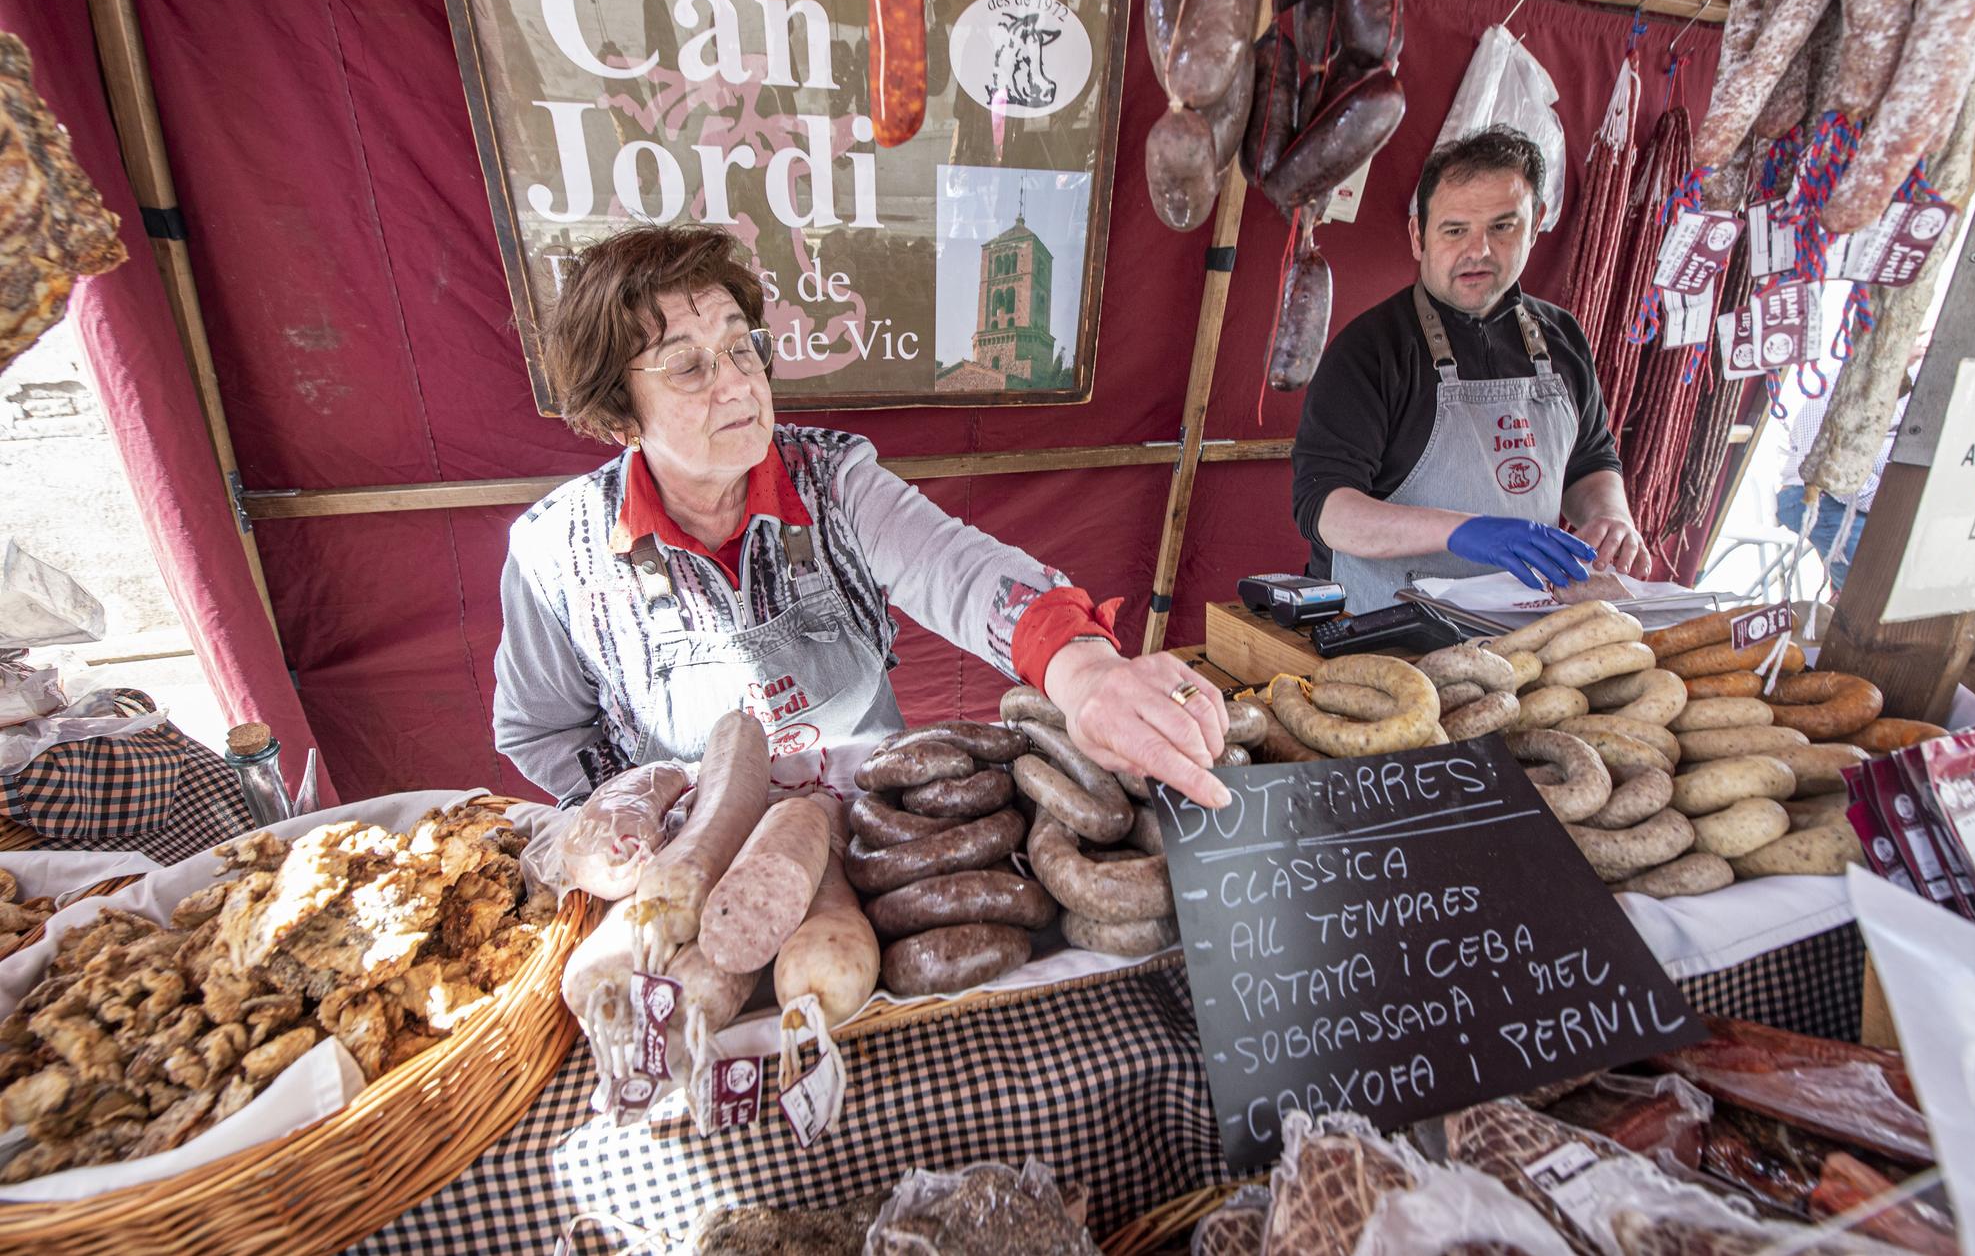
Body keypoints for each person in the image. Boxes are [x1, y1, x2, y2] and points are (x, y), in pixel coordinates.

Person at [493, 225, 1231, 808]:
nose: (739, 384)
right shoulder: (559, 553)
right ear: (619, 414)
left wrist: (1087, 671)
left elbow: (962, 572)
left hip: (872, 827)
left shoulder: (832, 481)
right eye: (688, 366)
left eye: (743, 347)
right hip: (691, 863)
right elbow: (541, 728)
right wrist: (626, 812)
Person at [1291, 127, 1649, 612]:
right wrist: (1461, 531)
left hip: (1520, 633)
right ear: (1419, 235)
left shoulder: (1561, 338)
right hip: (1382, 631)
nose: (1478, 251)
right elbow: (1328, 511)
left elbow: (1589, 462)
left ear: (1536, 222)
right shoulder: (1370, 351)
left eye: (1502, 227)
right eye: (1455, 230)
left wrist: (1610, 517)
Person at [1774, 336, 1923, 594]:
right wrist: (1890, 498)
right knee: (1872, 590)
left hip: (1884, 498)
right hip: (1821, 496)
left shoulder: (1926, 384)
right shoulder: (1837, 389)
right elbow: (1823, 469)